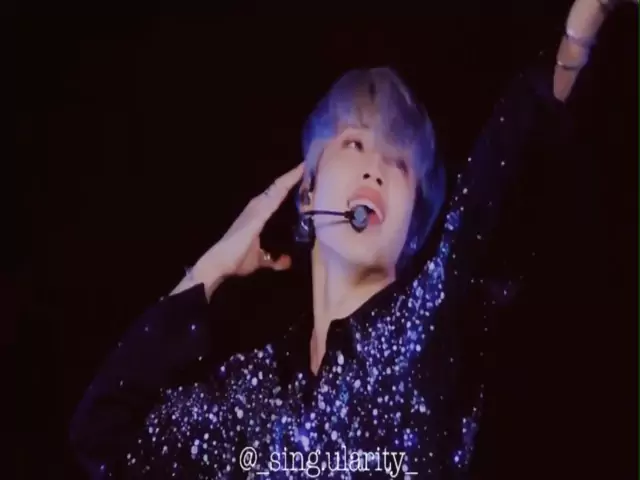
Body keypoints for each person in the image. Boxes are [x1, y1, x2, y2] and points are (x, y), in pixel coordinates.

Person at [69, 1, 634, 478]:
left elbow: (514, 160)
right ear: (308, 192)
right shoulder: (250, 395)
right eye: (355, 144)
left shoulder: (435, 323)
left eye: (399, 163)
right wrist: (209, 270)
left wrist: (580, 30)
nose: (376, 169)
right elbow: (104, 437)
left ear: (412, 225)